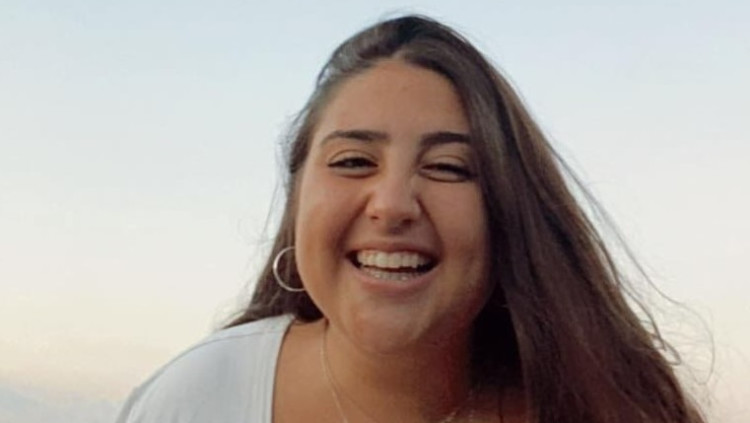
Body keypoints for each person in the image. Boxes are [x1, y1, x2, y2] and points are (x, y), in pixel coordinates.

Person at [116, 15, 706, 423]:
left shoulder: (604, 408)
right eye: (353, 161)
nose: (393, 204)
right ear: (298, 199)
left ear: (509, 213)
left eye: (448, 168)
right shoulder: (200, 398)